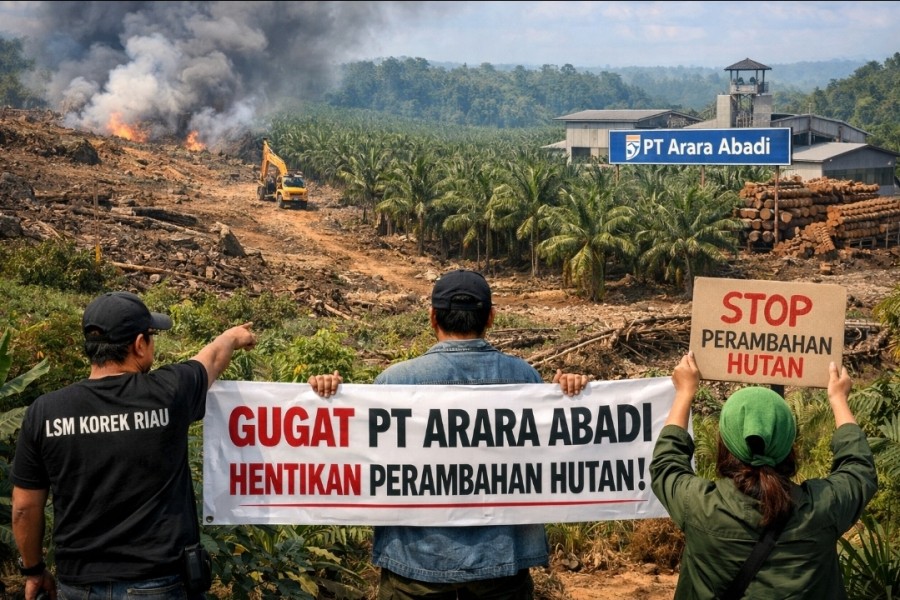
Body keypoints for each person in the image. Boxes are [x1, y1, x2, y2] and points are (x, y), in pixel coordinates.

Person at [309, 269, 588, 599]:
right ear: (491, 318)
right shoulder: (525, 378)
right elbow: (553, 456)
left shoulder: (394, 382)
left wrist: (326, 400)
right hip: (502, 566)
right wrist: (576, 396)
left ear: (432, 317)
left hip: (414, 566)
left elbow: (353, 458)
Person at [11, 291, 257, 600]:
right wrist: (233, 335)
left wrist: (32, 570)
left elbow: (23, 508)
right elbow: (212, 358)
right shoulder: (169, 391)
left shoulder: (45, 411)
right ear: (139, 345)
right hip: (158, 583)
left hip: (77, 585)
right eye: (152, 336)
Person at [650, 351, 878, 599]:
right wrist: (838, 400)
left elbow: (666, 463)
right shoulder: (823, 508)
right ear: (790, 444)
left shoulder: (698, 505)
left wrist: (684, 393)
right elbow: (858, 468)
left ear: (724, 444)